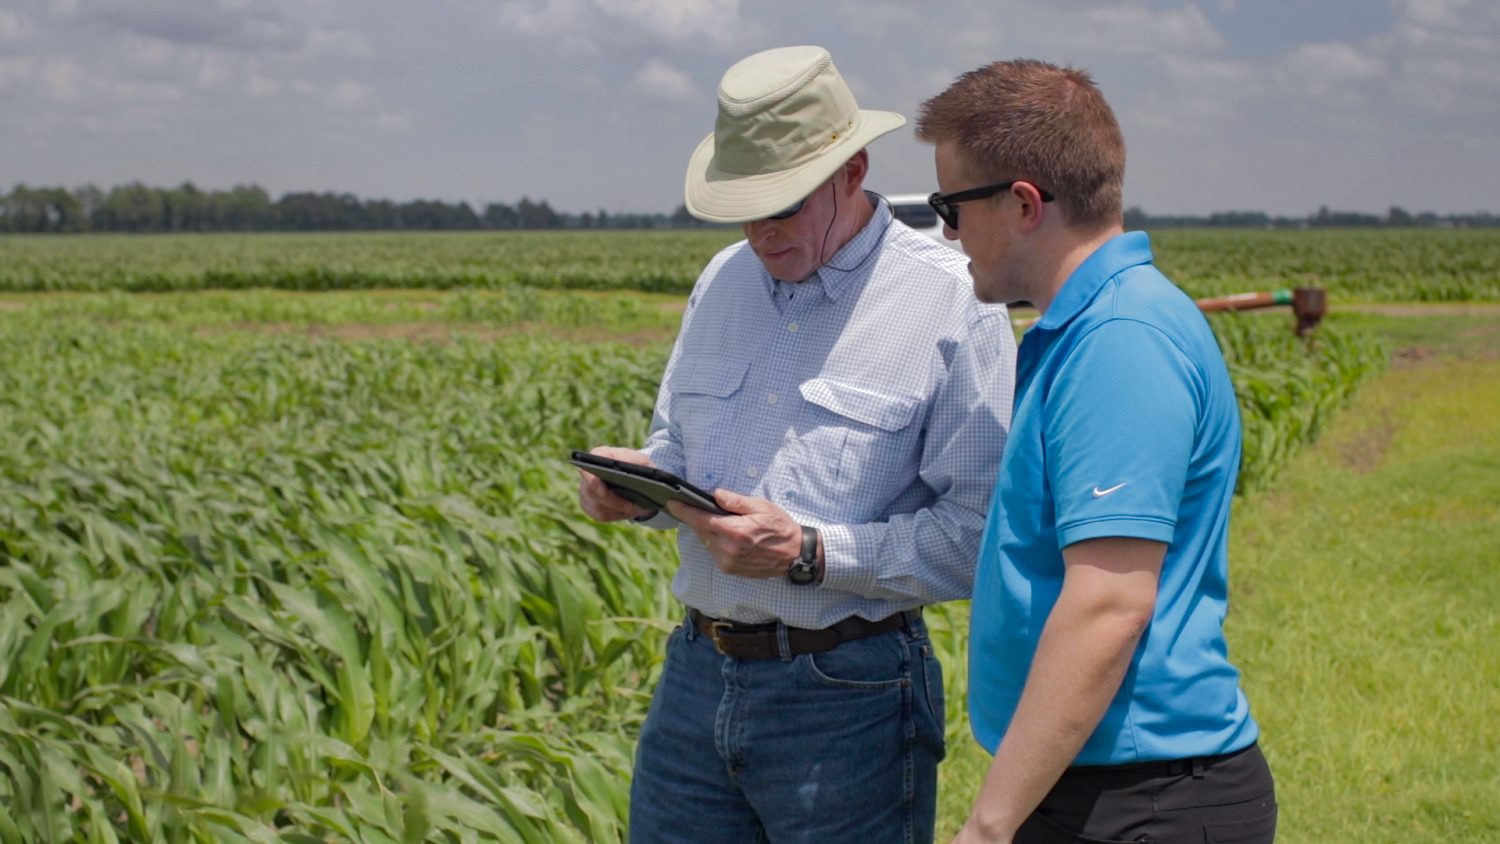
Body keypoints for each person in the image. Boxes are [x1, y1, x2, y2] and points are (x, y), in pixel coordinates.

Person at [577, 45, 1016, 843]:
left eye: (782, 206)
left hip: (848, 694)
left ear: (853, 171)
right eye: (744, 208)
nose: (760, 233)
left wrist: (810, 551)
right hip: (695, 673)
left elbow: (981, 536)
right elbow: (679, 455)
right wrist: (640, 490)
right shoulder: (721, 282)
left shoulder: (952, 301)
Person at [915, 59, 1277, 843]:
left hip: (1142, 799)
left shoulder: (1119, 341)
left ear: (1022, 205)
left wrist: (988, 825)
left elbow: (1108, 604)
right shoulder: (1095, 324)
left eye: (951, 206)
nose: (946, 233)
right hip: (1101, 780)